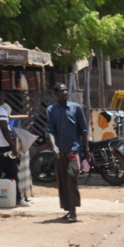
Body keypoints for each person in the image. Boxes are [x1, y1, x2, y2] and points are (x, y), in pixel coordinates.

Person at [45, 83, 92, 221]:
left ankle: (73, 209)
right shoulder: (51, 110)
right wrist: (53, 146)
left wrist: (86, 149)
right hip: (59, 152)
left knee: (71, 178)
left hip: (73, 150)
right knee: (62, 181)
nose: (65, 92)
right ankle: (68, 208)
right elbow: (50, 130)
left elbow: (83, 130)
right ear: (56, 94)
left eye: (66, 90)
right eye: (61, 91)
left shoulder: (76, 108)